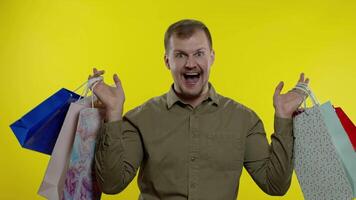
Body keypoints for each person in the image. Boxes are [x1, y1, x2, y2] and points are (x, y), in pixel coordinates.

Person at [91, 19, 309, 200]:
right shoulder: (140, 118)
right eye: (180, 55)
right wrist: (112, 113)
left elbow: (275, 185)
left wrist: (284, 118)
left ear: (211, 57)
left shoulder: (244, 120)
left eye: (199, 53)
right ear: (167, 61)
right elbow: (111, 184)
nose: (190, 64)